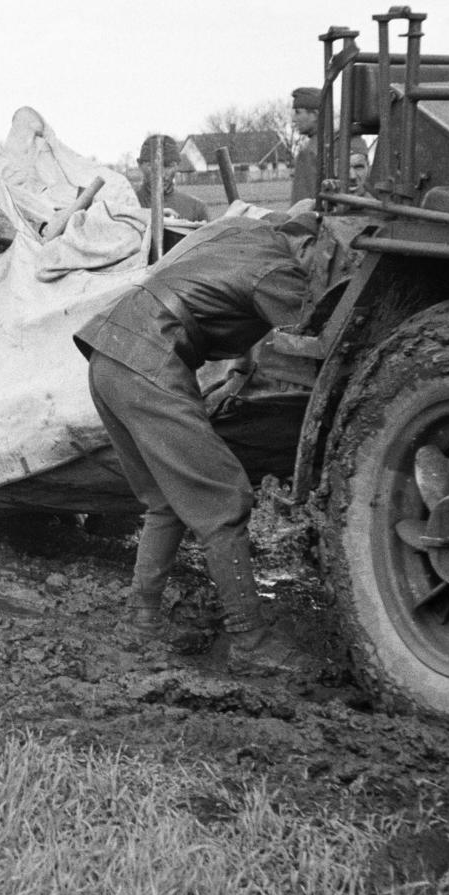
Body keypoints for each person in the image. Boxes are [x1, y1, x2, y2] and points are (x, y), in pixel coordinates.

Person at [73, 214, 318, 671]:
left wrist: (242, 371)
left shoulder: (241, 236)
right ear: (305, 244)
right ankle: (251, 641)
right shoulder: (281, 268)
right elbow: (314, 343)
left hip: (107, 353)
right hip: (149, 356)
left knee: (165, 500)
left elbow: (233, 299)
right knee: (224, 497)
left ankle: (141, 622)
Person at [135, 134, 209, 222]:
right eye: (152, 166)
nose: (161, 174)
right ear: (140, 165)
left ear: (177, 166)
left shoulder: (196, 209)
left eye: (168, 166)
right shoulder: (126, 207)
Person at [288, 87, 322, 205]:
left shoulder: (309, 152)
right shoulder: (339, 144)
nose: (293, 119)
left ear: (315, 114)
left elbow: (301, 205)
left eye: (298, 112)